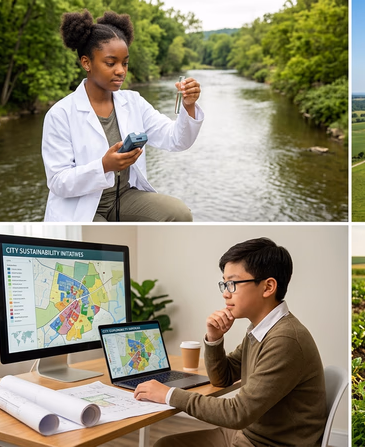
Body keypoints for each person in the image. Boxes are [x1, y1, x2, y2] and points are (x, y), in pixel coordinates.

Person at [134, 237, 328, 447]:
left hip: (265, 443)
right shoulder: (261, 329)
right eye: (224, 283)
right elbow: (222, 378)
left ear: (268, 287)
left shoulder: (285, 339)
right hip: (246, 434)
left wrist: (169, 394)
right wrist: (214, 339)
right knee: (164, 445)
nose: (226, 293)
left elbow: (237, 413)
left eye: (233, 283)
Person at [42, 9, 204, 222]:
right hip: (81, 205)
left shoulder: (133, 101)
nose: (121, 70)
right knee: (105, 244)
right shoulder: (60, 114)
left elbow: (176, 140)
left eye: (125, 63)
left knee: (178, 214)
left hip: (124, 196)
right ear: (86, 63)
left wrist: (189, 106)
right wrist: (104, 166)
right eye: (111, 63)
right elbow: (58, 181)